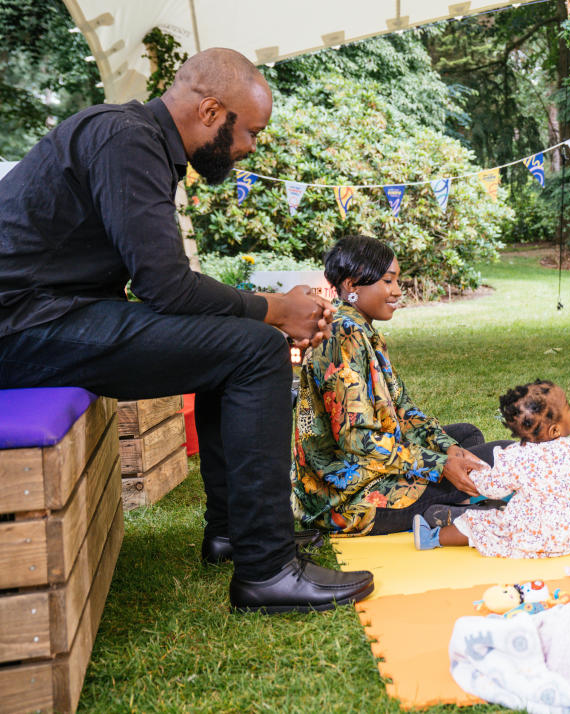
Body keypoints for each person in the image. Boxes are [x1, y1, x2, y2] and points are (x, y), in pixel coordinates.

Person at [0, 48, 374, 613]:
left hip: (49, 314)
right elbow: (167, 287)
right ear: (209, 110)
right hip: (23, 325)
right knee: (254, 350)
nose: (251, 147)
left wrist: (262, 310)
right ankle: (267, 571)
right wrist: (276, 309)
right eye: (249, 131)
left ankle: (231, 533)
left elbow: (165, 288)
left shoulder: (136, 140)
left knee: (235, 344)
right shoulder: (124, 139)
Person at [292, 235, 510, 536]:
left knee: (465, 437)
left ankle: (457, 508)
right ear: (353, 285)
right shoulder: (343, 338)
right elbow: (356, 441)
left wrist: (448, 451)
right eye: (388, 281)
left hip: (371, 470)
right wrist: (437, 464)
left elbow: (404, 411)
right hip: (347, 499)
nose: (397, 291)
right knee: (505, 454)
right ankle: (459, 510)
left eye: (397, 281)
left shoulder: (361, 332)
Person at [413, 379, 570, 558]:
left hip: (527, 539)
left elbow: (492, 487)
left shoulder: (515, 456)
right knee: (509, 511)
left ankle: (433, 537)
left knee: (479, 525)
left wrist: (475, 470)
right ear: (555, 430)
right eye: (569, 407)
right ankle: (477, 507)